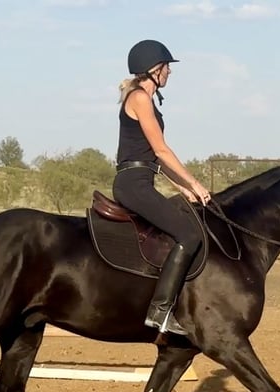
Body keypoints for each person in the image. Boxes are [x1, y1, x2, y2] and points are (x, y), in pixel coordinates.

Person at [111, 39, 212, 337]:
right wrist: (194, 181)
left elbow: (153, 158)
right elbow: (162, 151)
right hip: (132, 185)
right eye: (167, 67)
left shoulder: (146, 99)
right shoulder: (140, 98)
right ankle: (160, 310)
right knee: (190, 233)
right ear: (155, 69)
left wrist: (183, 188)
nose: (169, 72)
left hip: (141, 179)